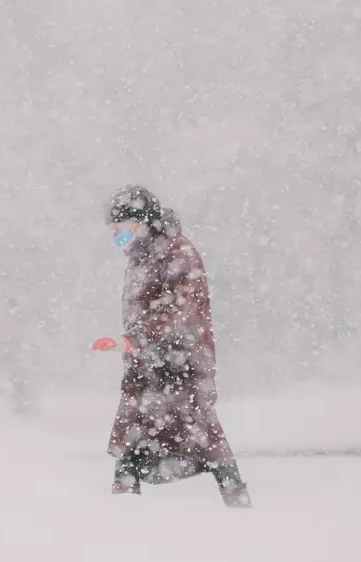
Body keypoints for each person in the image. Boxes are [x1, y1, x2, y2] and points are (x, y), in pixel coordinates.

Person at [91, 185, 251, 508]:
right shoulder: (140, 257)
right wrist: (133, 345)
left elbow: (177, 310)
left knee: (202, 435)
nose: (116, 238)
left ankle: (238, 501)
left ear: (141, 223)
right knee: (137, 438)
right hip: (148, 365)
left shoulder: (178, 253)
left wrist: (132, 340)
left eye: (119, 230)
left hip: (182, 365)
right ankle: (122, 506)